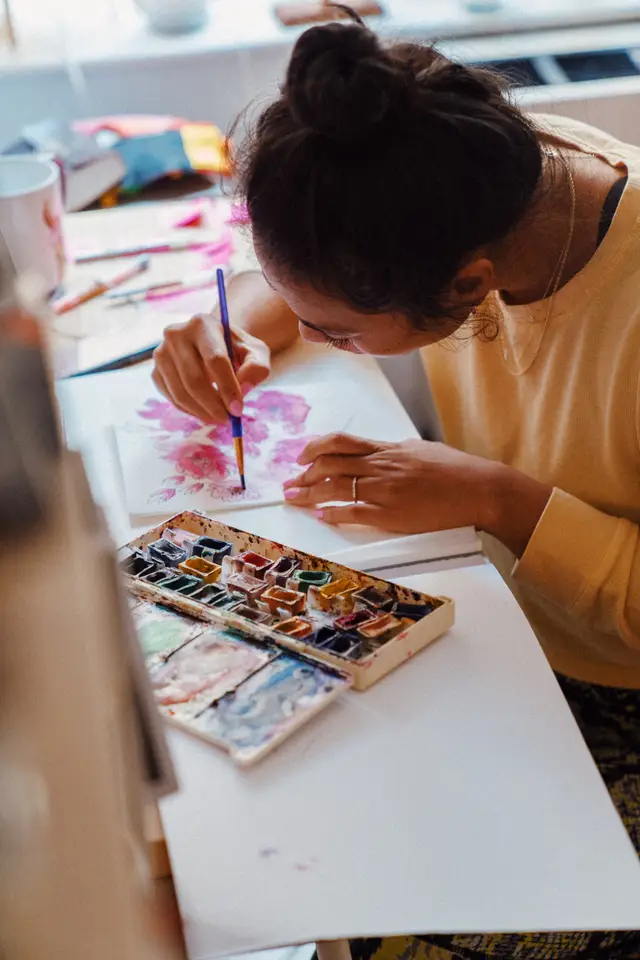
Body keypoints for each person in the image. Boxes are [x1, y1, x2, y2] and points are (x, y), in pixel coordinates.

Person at [152, 12, 640, 959]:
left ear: (468, 284)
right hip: (513, 623)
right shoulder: (479, 173)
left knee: (363, 908)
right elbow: (316, 265)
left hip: (614, 681)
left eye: (334, 329)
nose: (315, 335)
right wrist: (248, 322)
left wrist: (502, 500)